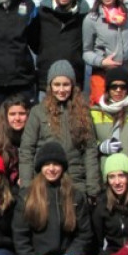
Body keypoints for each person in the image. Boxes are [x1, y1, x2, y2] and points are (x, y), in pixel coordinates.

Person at [13, 140, 93, 255]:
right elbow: (21, 239)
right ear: (40, 167)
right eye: (47, 164)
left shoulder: (75, 196)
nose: (51, 169)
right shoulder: (26, 197)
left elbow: (84, 234)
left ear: (63, 167)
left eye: (56, 164)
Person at [19, 61, 99, 199]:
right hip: (45, 179)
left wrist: (93, 189)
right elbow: (27, 150)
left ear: (73, 86)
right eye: (57, 84)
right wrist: (27, 187)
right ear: (50, 86)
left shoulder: (83, 112)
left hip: (75, 179)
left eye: (66, 84)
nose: (61, 90)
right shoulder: (38, 112)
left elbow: (90, 150)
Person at [90, 67, 128, 184]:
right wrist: (100, 147)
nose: (118, 90)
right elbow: (87, 145)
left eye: (123, 87)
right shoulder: (95, 112)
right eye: (114, 86)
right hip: (105, 176)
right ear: (108, 89)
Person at [35, 0, 90, 93]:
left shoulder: (85, 18)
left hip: (74, 85)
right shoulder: (40, 14)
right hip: (45, 84)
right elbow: (33, 42)